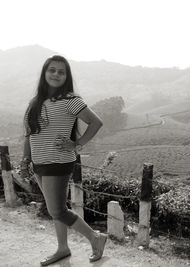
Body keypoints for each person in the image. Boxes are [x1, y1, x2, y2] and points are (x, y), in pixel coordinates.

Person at [22, 55, 107, 266]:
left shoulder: (71, 100)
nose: (56, 74)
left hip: (58, 162)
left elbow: (96, 123)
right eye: (52, 70)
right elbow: (29, 133)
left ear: (66, 77)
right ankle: (62, 248)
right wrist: (26, 159)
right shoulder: (35, 102)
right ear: (44, 73)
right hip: (39, 163)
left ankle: (95, 237)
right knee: (55, 208)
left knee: (57, 210)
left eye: (61, 72)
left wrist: (77, 144)